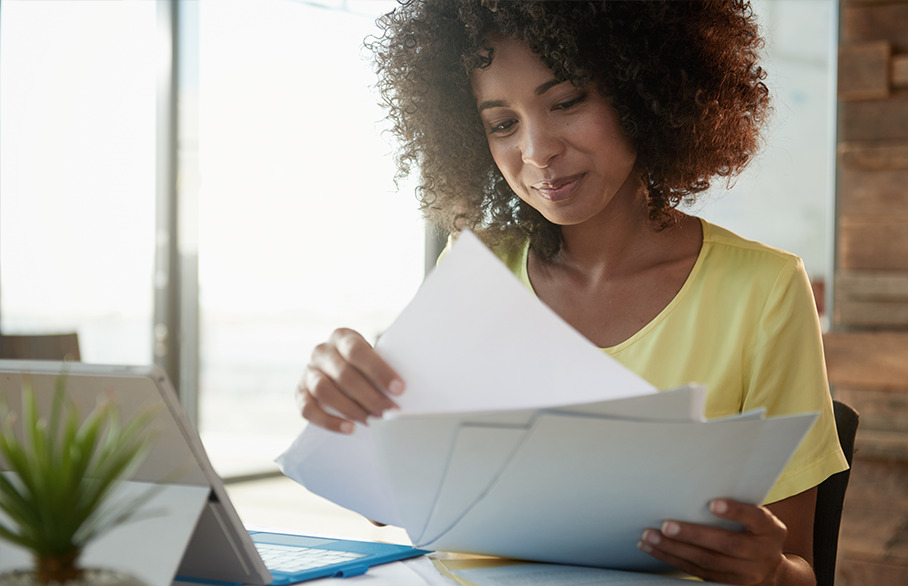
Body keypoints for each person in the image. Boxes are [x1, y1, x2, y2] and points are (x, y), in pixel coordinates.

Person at [296, 1, 849, 584]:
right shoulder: (476, 266)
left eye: (565, 103)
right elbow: (388, 504)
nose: (537, 152)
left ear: (642, 90)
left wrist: (769, 572)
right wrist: (346, 406)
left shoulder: (762, 291)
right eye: (502, 124)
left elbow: (801, 571)